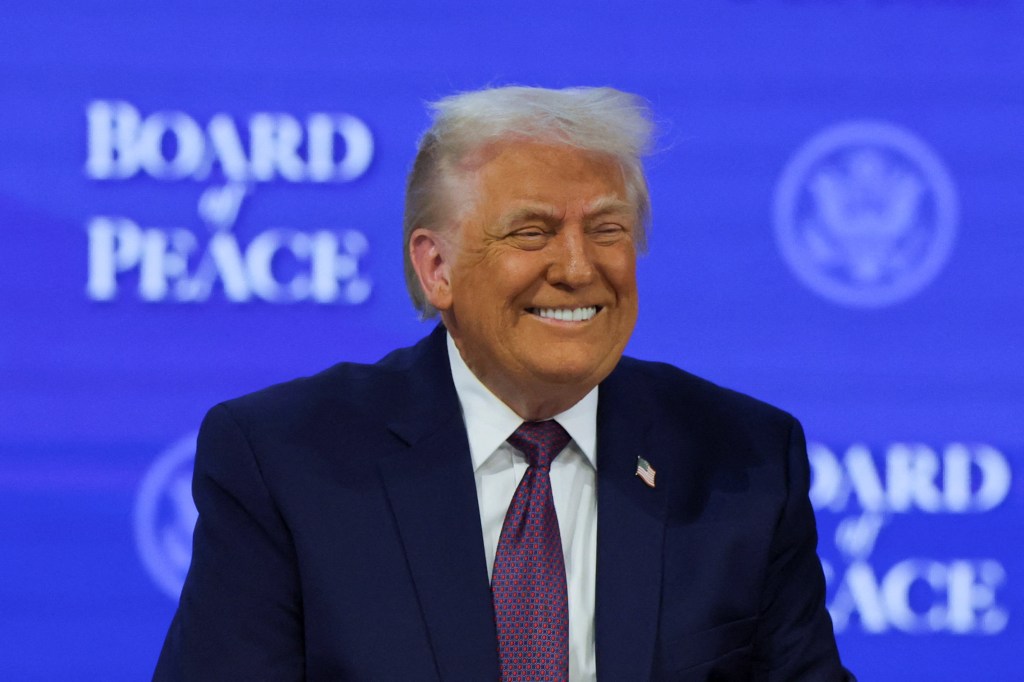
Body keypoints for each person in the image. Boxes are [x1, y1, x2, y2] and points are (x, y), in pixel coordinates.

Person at [154, 86, 853, 681]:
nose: (578, 268)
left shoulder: (742, 459)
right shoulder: (288, 459)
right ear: (437, 269)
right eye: (531, 232)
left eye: (607, 229)